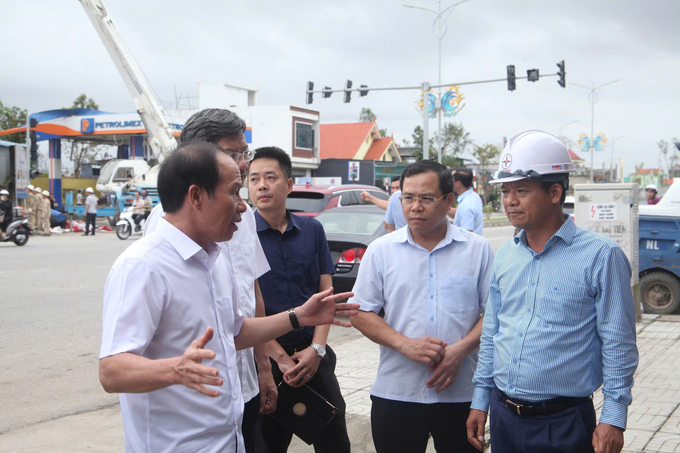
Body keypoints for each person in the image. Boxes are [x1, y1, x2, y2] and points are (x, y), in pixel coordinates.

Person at [99, 141, 358, 453]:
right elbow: (112, 371)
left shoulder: (216, 259)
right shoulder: (142, 266)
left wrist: (298, 316)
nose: (243, 205)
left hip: (227, 441)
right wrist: (175, 370)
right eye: (235, 191)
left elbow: (234, 332)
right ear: (196, 196)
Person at [466, 131, 638, 453]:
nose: (509, 201)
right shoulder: (506, 254)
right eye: (505, 190)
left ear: (555, 191)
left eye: (521, 190)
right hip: (504, 417)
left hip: (564, 424)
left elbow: (619, 343)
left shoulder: (601, 256)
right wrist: (481, 399)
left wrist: (614, 417)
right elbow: (492, 332)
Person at [143, 108, 279, 453]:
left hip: (242, 383)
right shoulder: (165, 223)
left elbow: (252, 292)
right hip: (193, 396)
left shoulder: (241, 214)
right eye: (232, 154)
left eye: (243, 153)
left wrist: (263, 367)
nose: (244, 164)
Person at [349, 160, 494, 453]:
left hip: (462, 393)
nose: (415, 207)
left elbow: (494, 312)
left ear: (448, 200)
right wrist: (405, 345)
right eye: (408, 198)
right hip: (397, 392)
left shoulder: (477, 249)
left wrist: (460, 350)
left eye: (427, 198)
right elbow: (360, 312)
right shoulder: (381, 250)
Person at [249, 147, 351, 453]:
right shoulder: (239, 237)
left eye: (271, 177)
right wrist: (279, 359)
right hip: (265, 363)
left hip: (313, 358)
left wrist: (316, 350)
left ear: (290, 184)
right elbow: (247, 310)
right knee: (267, 444)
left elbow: (325, 295)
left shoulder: (312, 230)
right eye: (254, 179)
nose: (262, 185)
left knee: (334, 441)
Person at [449, 167, 483, 235]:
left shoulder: (466, 206)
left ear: (458, 184)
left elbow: (467, 236)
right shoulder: (473, 196)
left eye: (451, 180)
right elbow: (459, 214)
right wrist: (442, 208)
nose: (448, 183)